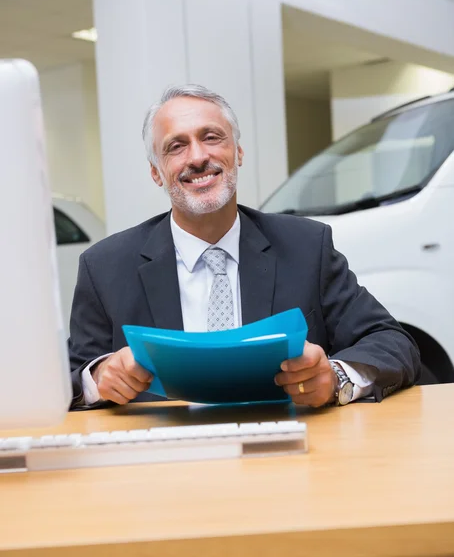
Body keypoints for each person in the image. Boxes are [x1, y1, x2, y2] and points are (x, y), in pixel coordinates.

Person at [68, 84, 420, 410]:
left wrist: (335, 378)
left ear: (237, 152)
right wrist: (98, 378)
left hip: (290, 452)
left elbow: (392, 342)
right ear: (156, 172)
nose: (197, 157)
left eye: (211, 137)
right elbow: (68, 379)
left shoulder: (307, 247)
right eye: (176, 146)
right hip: (165, 460)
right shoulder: (104, 267)